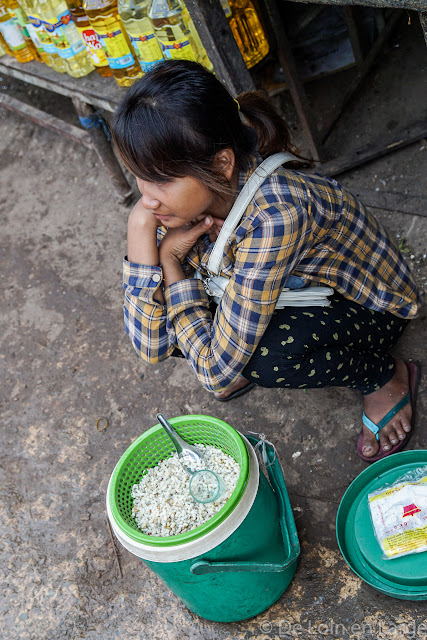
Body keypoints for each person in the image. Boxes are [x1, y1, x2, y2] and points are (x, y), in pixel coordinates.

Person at [112, 59, 420, 463]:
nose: (146, 198)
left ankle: (383, 377)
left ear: (221, 164)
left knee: (264, 358)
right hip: (287, 293)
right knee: (177, 315)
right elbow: (152, 347)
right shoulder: (167, 206)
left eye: (162, 179)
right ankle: (224, 340)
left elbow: (213, 375)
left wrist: (169, 262)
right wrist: (139, 229)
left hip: (368, 307)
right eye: (138, 176)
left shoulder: (278, 215)